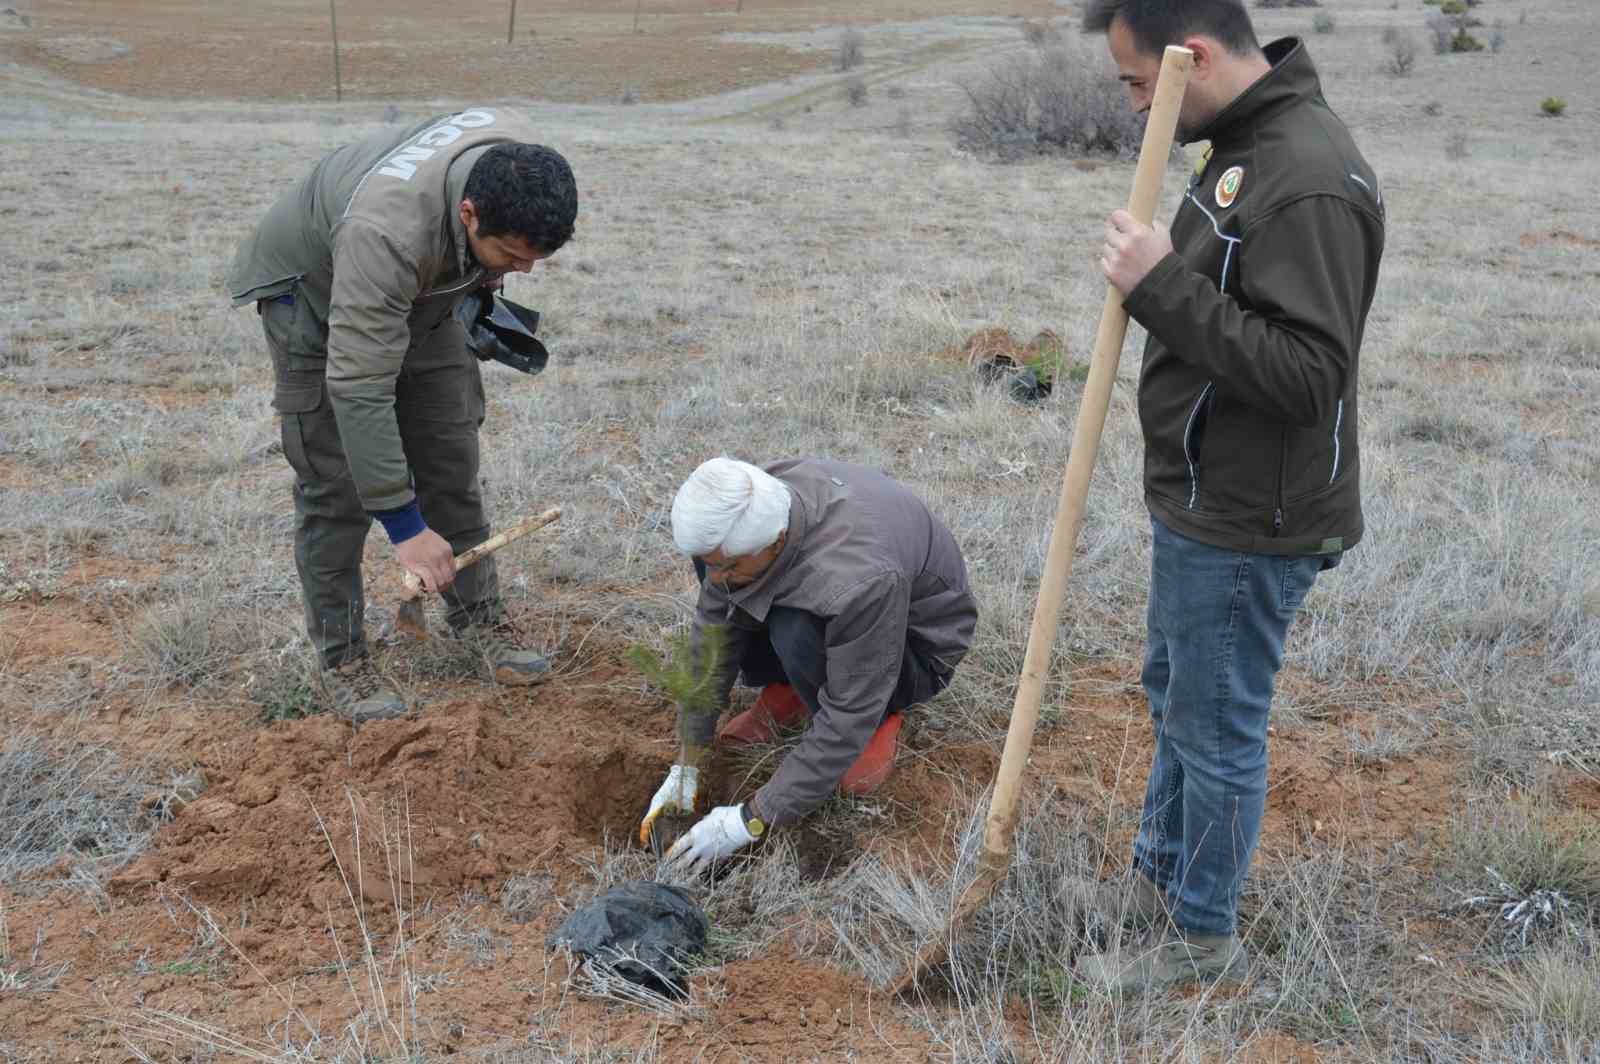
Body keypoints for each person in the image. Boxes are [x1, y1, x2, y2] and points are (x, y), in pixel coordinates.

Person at [1076, 0, 1385, 992]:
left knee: (1214, 725)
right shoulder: (1243, 145)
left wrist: (1159, 284)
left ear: (1191, 57)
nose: (1135, 109)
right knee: (1179, 698)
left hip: (1256, 518)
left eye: (1137, 83)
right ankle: (1157, 878)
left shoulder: (1305, 181)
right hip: (1203, 495)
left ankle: (1196, 942)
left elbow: (1307, 374)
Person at [226, 108, 578, 720]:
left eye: (534, 259)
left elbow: (489, 252)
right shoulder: (387, 234)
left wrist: (484, 273)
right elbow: (358, 384)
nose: (523, 271)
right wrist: (404, 526)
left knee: (449, 455)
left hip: (424, 285)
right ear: (469, 214)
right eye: (510, 254)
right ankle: (344, 660)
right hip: (313, 291)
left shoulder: (515, 158)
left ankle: (479, 621)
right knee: (335, 485)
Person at [639, 457, 978, 874]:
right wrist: (687, 760)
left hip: (912, 648)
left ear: (777, 541)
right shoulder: (748, 504)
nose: (717, 577)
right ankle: (790, 690)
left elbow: (848, 711)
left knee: (797, 620)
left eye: (728, 566)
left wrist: (750, 819)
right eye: (713, 566)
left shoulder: (858, 579)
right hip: (837, 605)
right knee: (737, 583)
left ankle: (882, 718)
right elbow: (713, 635)